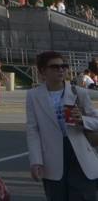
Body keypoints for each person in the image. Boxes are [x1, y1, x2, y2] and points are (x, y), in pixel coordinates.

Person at [26, 50, 98, 200]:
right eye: (54, 67)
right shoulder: (33, 95)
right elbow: (33, 130)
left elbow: (96, 120)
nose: (60, 70)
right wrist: (36, 161)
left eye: (63, 66)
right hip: (52, 158)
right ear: (43, 71)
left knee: (83, 195)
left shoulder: (78, 92)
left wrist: (83, 120)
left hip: (79, 155)